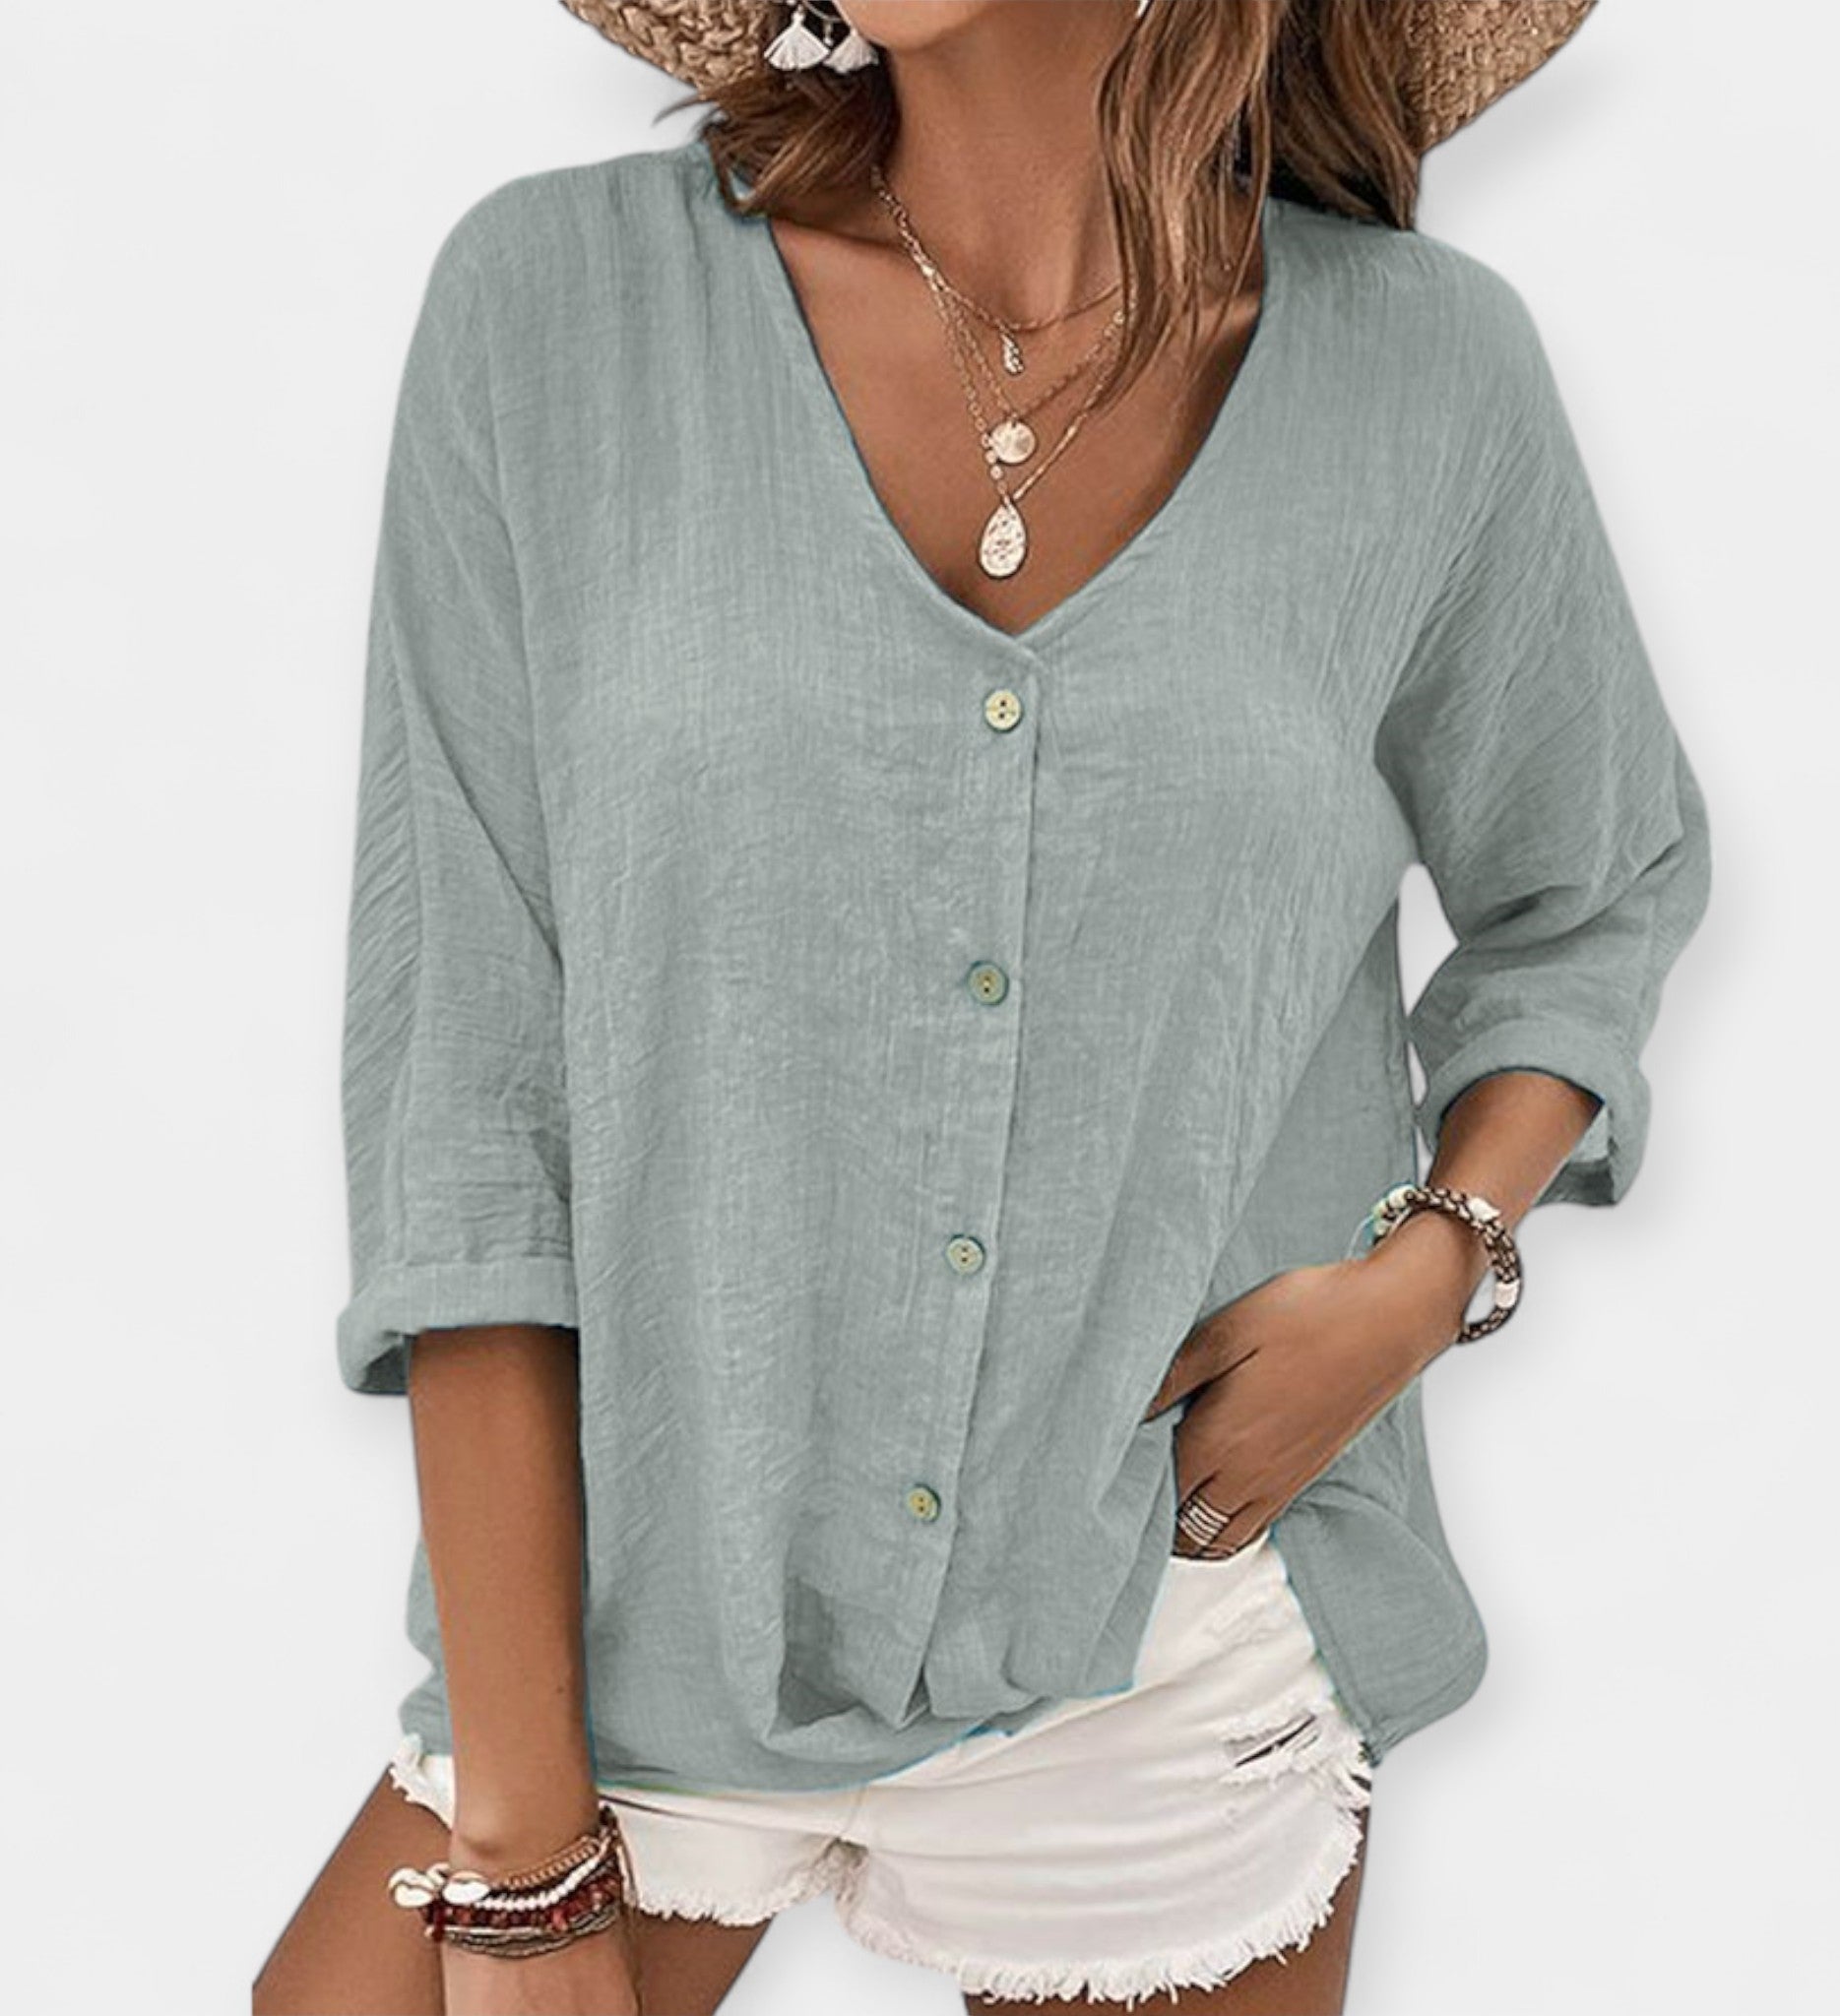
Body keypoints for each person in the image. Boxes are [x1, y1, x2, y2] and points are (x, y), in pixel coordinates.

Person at [253, 2, 1712, 2011]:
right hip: (627, 1624)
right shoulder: (556, 307)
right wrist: (518, 1860)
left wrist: (1426, 1271)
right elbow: (466, 1086)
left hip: (1169, 1622)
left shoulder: (1430, 377)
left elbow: (1592, 886)